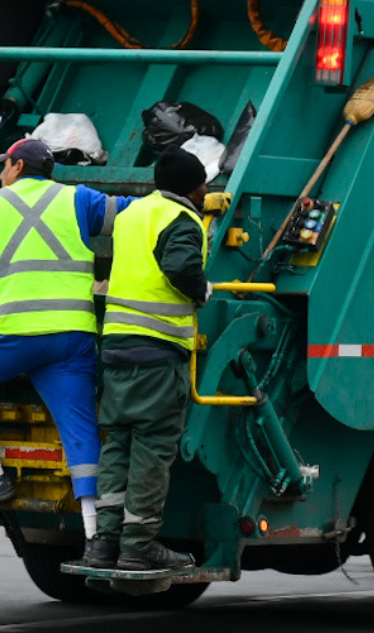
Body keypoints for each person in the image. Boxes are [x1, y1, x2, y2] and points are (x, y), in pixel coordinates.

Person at [0, 139, 135, 540]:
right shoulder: (79, 199)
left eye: (3, 166)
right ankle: (97, 532)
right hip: (72, 338)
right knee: (80, 429)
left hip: (15, 336)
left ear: (16, 165)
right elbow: (133, 216)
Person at [83, 147, 219, 571]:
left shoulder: (132, 215)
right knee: (152, 449)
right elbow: (179, 268)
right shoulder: (181, 220)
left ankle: (104, 543)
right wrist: (203, 290)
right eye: (204, 185)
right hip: (157, 353)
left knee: (118, 447)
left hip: (118, 349)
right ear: (195, 188)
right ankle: (138, 546)